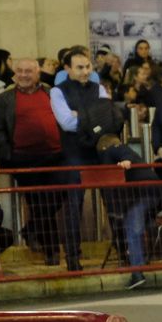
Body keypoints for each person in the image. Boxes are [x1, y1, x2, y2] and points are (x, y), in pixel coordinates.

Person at [0, 57, 67, 265]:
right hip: (23, 159)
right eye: (20, 71)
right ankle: (52, 252)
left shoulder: (52, 94)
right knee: (41, 204)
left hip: (56, 157)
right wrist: (10, 155)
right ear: (14, 74)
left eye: (28, 71)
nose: (23, 75)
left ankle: (30, 229)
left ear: (38, 73)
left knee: (60, 195)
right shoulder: (3, 100)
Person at [50, 46, 113, 272]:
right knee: (73, 206)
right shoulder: (58, 91)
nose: (85, 72)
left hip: (99, 151)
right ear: (67, 68)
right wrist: (93, 117)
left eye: (87, 67)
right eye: (79, 67)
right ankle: (73, 257)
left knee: (113, 200)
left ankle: (123, 250)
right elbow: (66, 123)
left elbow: (108, 119)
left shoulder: (100, 88)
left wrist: (81, 115)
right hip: (74, 153)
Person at [96, 133, 159, 290]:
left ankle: (137, 272)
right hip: (152, 191)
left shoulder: (111, 149)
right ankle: (138, 266)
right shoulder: (131, 155)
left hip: (140, 193)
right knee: (136, 227)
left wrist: (126, 160)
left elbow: (123, 151)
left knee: (133, 230)